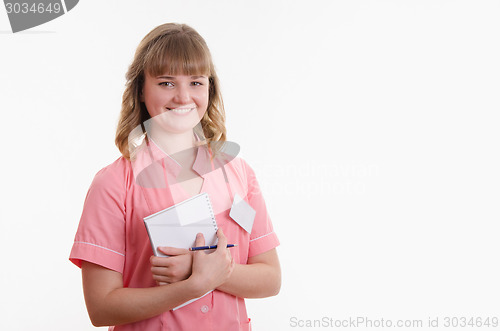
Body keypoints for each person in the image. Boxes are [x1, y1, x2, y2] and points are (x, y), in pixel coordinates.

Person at [69, 23, 281, 330]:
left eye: (196, 82)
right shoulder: (113, 184)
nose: (183, 97)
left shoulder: (239, 173)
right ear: (141, 89)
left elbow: (271, 278)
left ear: (210, 88)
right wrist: (192, 285)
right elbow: (101, 307)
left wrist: (207, 269)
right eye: (167, 83)